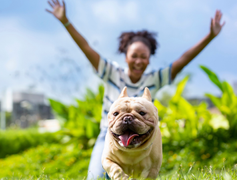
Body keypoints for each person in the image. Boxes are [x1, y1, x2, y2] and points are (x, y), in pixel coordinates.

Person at [46, 0, 225, 179]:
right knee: (96, 176)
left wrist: (209, 36)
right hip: (109, 133)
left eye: (143, 57)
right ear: (126, 57)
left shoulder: (154, 78)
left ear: (149, 59)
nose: (138, 61)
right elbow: (86, 48)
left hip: (145, 136)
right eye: (134, 56)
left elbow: (183, 59)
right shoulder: (112, 73)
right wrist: (65, 21)